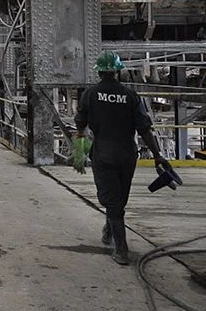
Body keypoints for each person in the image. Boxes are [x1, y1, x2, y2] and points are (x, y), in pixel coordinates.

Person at [74, 50, 171, 266]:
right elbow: (144, 128)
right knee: (119, 197)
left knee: (111, 199)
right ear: (118, 71)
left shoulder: (90, 94)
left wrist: (81, 147)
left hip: (104, 152)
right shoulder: (130, 96)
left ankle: (122, 250)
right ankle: (109, 231)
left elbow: (81, 123)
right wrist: (157, 156)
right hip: (128, 153)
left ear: (99, 72)